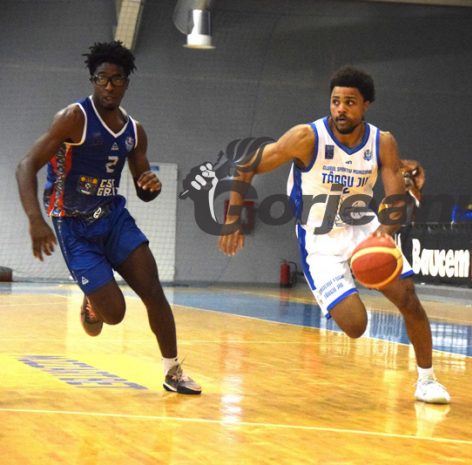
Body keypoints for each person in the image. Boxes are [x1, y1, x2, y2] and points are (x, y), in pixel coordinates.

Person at [217, 66, 449, 404]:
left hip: (363, 227)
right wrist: (232, 219)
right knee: (355, 326)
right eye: (335, 101)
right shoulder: (306, 138)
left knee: (409, 299)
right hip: (320, 239)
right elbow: (246, 165)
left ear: (366, 105)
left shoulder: (382, 142)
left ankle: (427, 380)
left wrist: (383, 235)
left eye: (350, 102)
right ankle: (348, 280)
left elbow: (395, 199)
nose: (340, 109)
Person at [15, 41, 201, 395]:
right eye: (102, 78)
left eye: (117, 79)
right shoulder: (74, 118)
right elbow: (26, 165)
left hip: (113, 218)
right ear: (93, 80)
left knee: (153, 290)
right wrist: (35, 220)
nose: (109, 86)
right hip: (73, 224)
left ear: (126, 82)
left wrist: (151, 186)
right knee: (114, 315)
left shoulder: (134, 131)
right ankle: (95, 302)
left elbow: (144, 189)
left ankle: (173, 371)